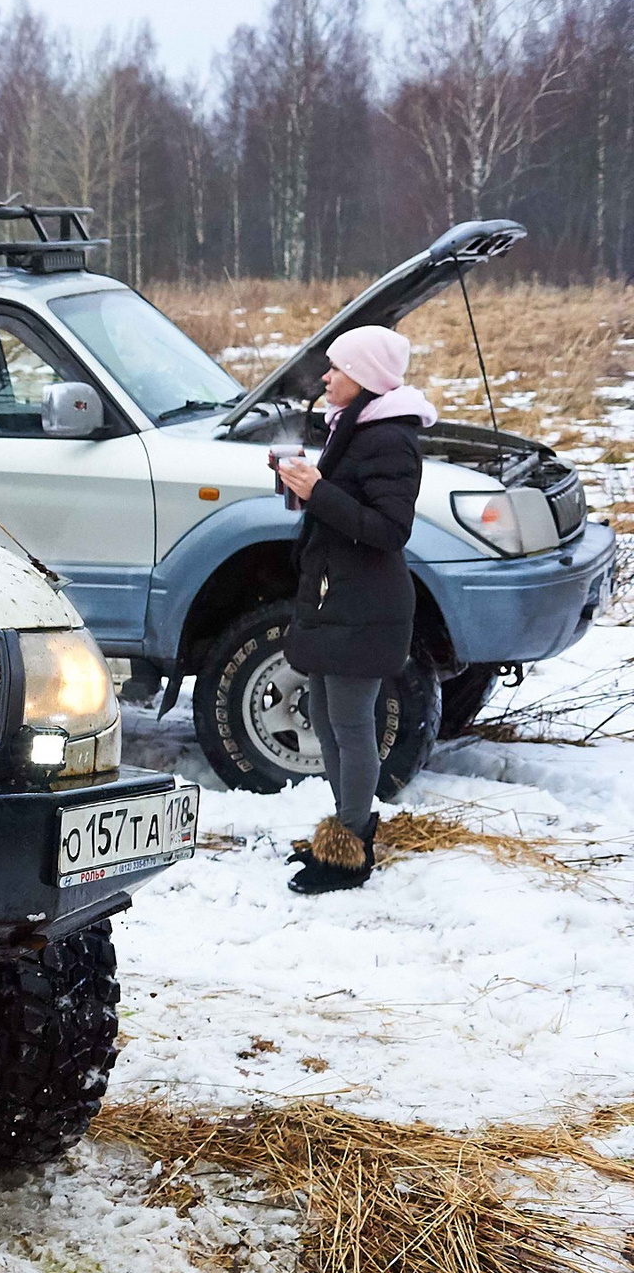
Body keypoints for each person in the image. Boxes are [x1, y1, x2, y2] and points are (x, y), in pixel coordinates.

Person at [276, 323, 428, 896]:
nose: (325, 377)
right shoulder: (355, 426)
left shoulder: (389, 439)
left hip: (366, 604)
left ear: (362, 377)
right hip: (337, 596)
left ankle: (349, 851)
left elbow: (390, 530)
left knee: (351, 727)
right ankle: (342, 833)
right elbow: (346, 510)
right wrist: (304, 490)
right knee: (326, 721)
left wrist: (319, 492)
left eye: (335, 368)